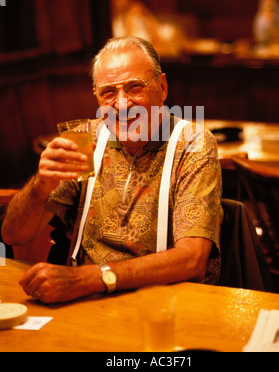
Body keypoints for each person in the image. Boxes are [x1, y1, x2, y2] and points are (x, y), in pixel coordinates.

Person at [1, 36, 222, 304]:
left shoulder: (192, 144)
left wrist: (90, 279)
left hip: (165, 303)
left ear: (162, 87)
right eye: (108, 92)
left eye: (134, 88)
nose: (122, 104)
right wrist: (40, 185)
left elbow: (192, 260)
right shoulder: (84, 139)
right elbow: (13, 235)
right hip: (85, 300)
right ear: (96, 96)